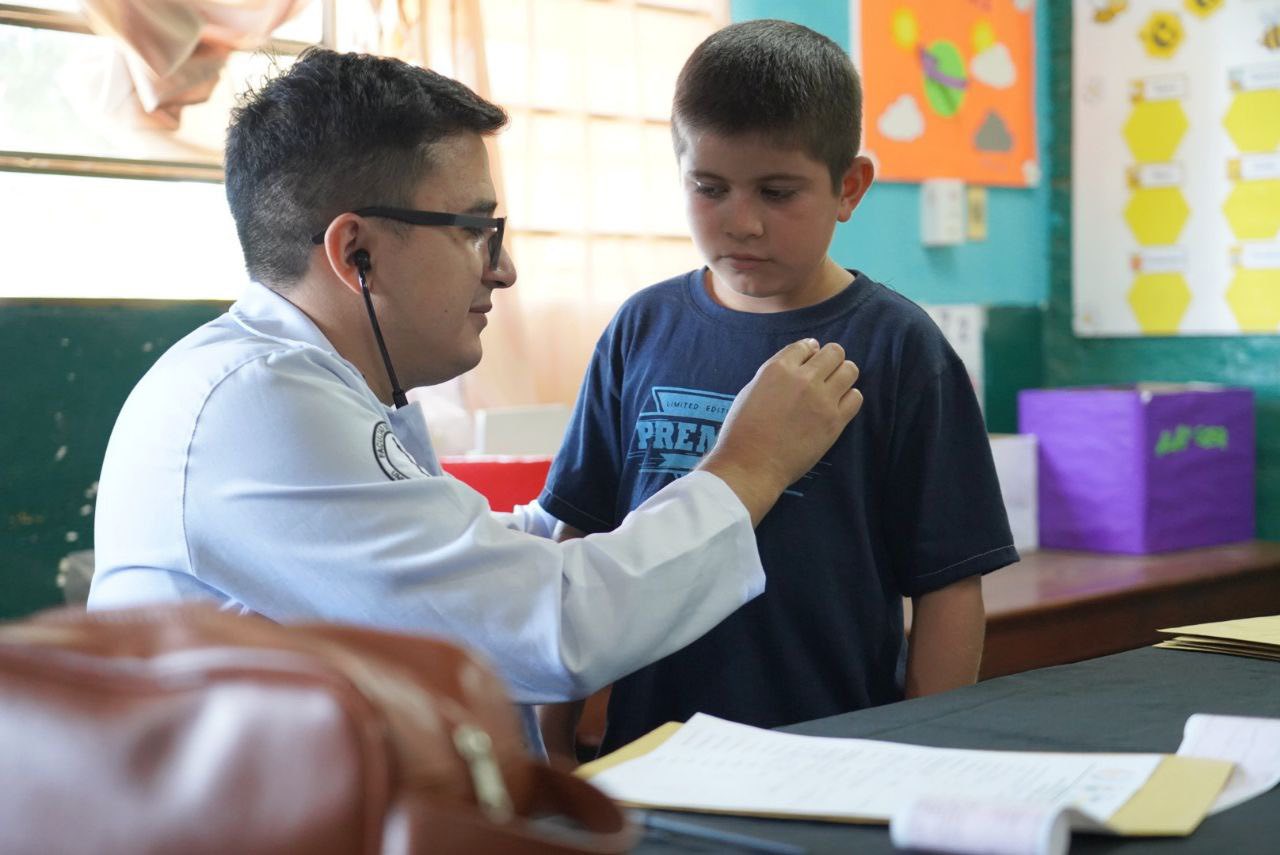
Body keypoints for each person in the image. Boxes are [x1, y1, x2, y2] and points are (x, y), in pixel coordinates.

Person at [87, 48, 864, 755]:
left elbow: (462, 563)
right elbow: (548, 625)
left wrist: (589, 511)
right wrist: (749, 465)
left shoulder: (325, 387)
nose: (504, 269)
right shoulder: (259, 407)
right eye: (475, 230)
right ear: (356, 251)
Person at [538, 19, 1018, 759]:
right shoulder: (641, 328)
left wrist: (918, 756)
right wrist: (552, 749)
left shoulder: (901, 348)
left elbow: (949, 586)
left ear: (848, 187)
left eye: (777, 191)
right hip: (651, 753)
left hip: (833, 755)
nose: (742, 223)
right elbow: (579, 541)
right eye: (710, 188)